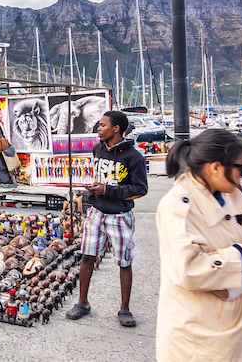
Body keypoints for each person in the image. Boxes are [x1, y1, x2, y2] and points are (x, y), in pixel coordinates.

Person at [156, 129, 242, 361]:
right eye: (240, 168)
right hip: (196, 334)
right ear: (215, 167)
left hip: (241, 323)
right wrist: (239, 253)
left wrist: (241, 282)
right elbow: (189, 269)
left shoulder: (232, 195)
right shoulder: (177, 207)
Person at [66, 110, 148, 326]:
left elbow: (140, 189)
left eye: (102, 125)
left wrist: (107, 190)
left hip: (120, 217)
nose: (98, 129)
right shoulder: (97, 149)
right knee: (87, 257)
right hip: (96, 213)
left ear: (116, 129)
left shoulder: (134, 157)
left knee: (124, 262)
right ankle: (82, 303)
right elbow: (102, 179)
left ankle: (125, 309)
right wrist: (95, 189)